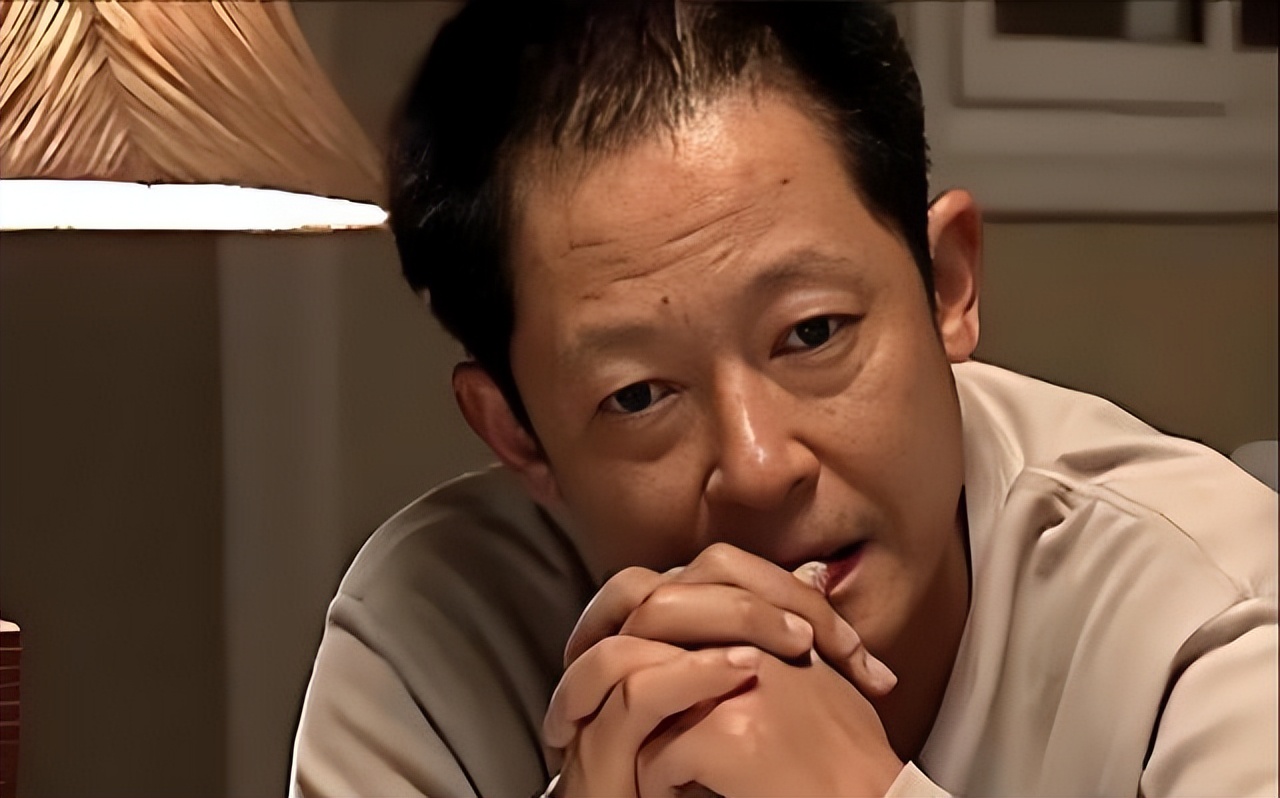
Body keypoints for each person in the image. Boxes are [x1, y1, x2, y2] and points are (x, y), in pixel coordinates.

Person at [289, 1, 1278, 796]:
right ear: (519, 436)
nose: (759, 467)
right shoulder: (430, 640)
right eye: (638, 395)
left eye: (812, 334)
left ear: (945, 286)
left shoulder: (1208, 611)